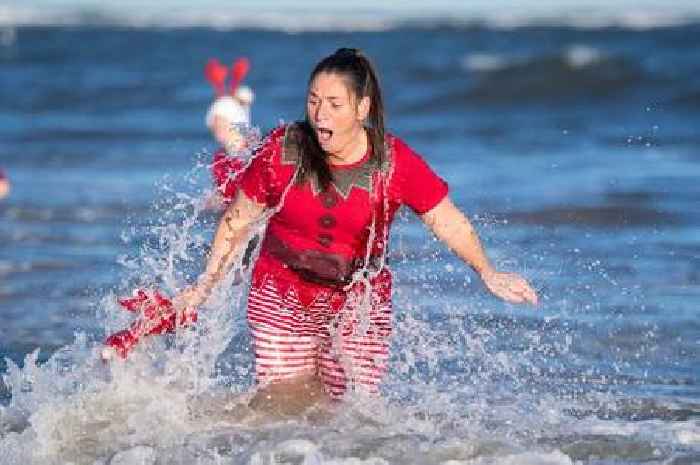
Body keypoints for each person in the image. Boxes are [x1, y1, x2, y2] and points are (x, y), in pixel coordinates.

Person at [167, 48, 539, 412]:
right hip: (280, 293)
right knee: (285, 403)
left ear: (362, 108)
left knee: (352, 410)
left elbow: (446, 220)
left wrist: (486, 270)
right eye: (313, 101)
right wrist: (205, 284)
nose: (319, 114)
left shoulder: (394, 162)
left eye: (333, 103)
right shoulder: (283, 150)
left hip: (360, 300)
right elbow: (239, 219)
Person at [204, 57, 255, 208]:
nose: (217, 128)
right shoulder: (220, 159)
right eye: (215, 123)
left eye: (222, 123)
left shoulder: (249, 156)